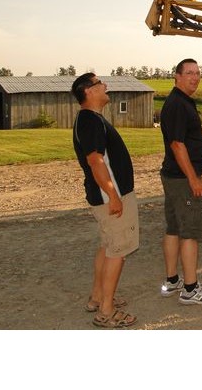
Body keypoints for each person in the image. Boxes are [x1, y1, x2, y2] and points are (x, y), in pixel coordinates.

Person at [71, 73, 139, 328]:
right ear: (88, 91)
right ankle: (107, 311)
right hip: (110, 197)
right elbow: (95, 160)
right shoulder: (90, 121)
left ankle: (97, 297)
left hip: (106, 196)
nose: (106, 86)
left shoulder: (91, 119)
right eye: (100, 83)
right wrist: (113, 195)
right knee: (117, 251)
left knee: (108, 246)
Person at [158, 58, 202, 305]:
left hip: (173, 176)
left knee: (174, 229)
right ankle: (190, 289)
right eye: (190, 73)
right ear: (177, 76)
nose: (195, 77)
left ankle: (172, 281)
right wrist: (194, 179)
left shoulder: (179, 101)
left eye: (198, 73)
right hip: (183, 179)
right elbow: (177, 144)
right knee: (190, 233)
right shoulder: (178, 105)